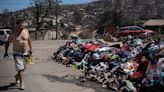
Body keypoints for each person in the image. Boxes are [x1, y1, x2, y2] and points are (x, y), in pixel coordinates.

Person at [4, 19, 32, 90]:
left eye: (22, 25)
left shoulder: (26, 31)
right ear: (16, 25)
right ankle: (22, 84)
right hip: (17, 53)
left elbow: (29, 40)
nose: (21, 27)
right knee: (20, 68)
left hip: (26, 53)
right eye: (19, 25)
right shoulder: (13, 33)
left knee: (23, 68)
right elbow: (7, 42)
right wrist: (6, 52)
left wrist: (31, 49)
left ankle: (17, 76)